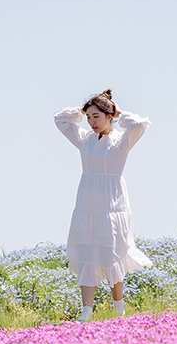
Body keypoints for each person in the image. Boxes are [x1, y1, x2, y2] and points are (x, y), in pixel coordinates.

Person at [54, 90, 152, 320]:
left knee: (112, 254)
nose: (91, 122)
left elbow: (138, 125)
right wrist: (81, 110)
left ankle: (119, 307)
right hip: (87, 204)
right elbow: (59, 119)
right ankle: (86, 311)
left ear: (109, 116)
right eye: (89, 117)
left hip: (112, 204)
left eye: (96, 116)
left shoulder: (121, 141)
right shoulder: (85, 139)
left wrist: (118, 112)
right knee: (86, 253)